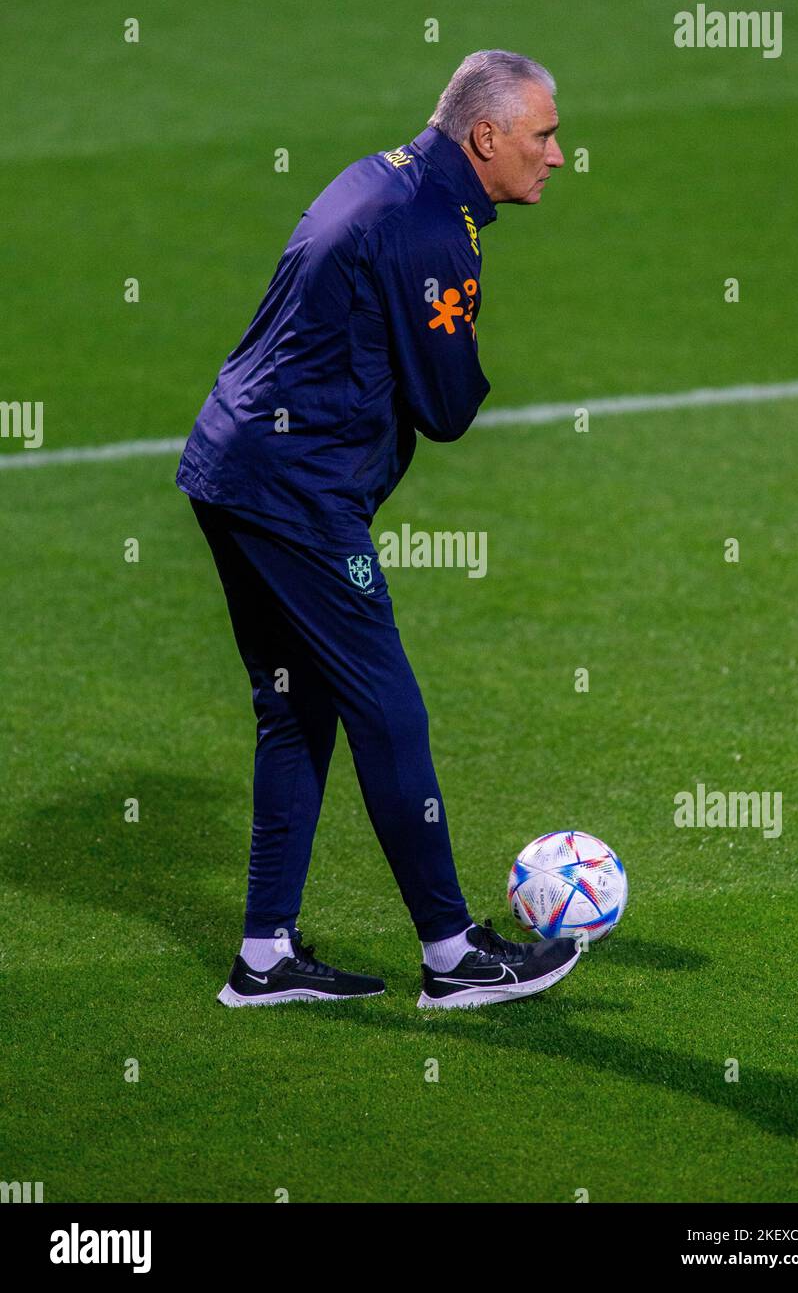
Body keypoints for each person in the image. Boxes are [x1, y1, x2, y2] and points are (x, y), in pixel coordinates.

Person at [177, 49, 574, 1009]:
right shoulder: (430, 229)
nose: (557, 156)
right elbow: (446, 407)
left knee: (296, 705)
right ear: (486, 136)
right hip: (297, 496)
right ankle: (451, 956)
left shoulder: (379, 177)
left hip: (231, 467)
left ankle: (264, 956)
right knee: (388, 708)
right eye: (544, 134)